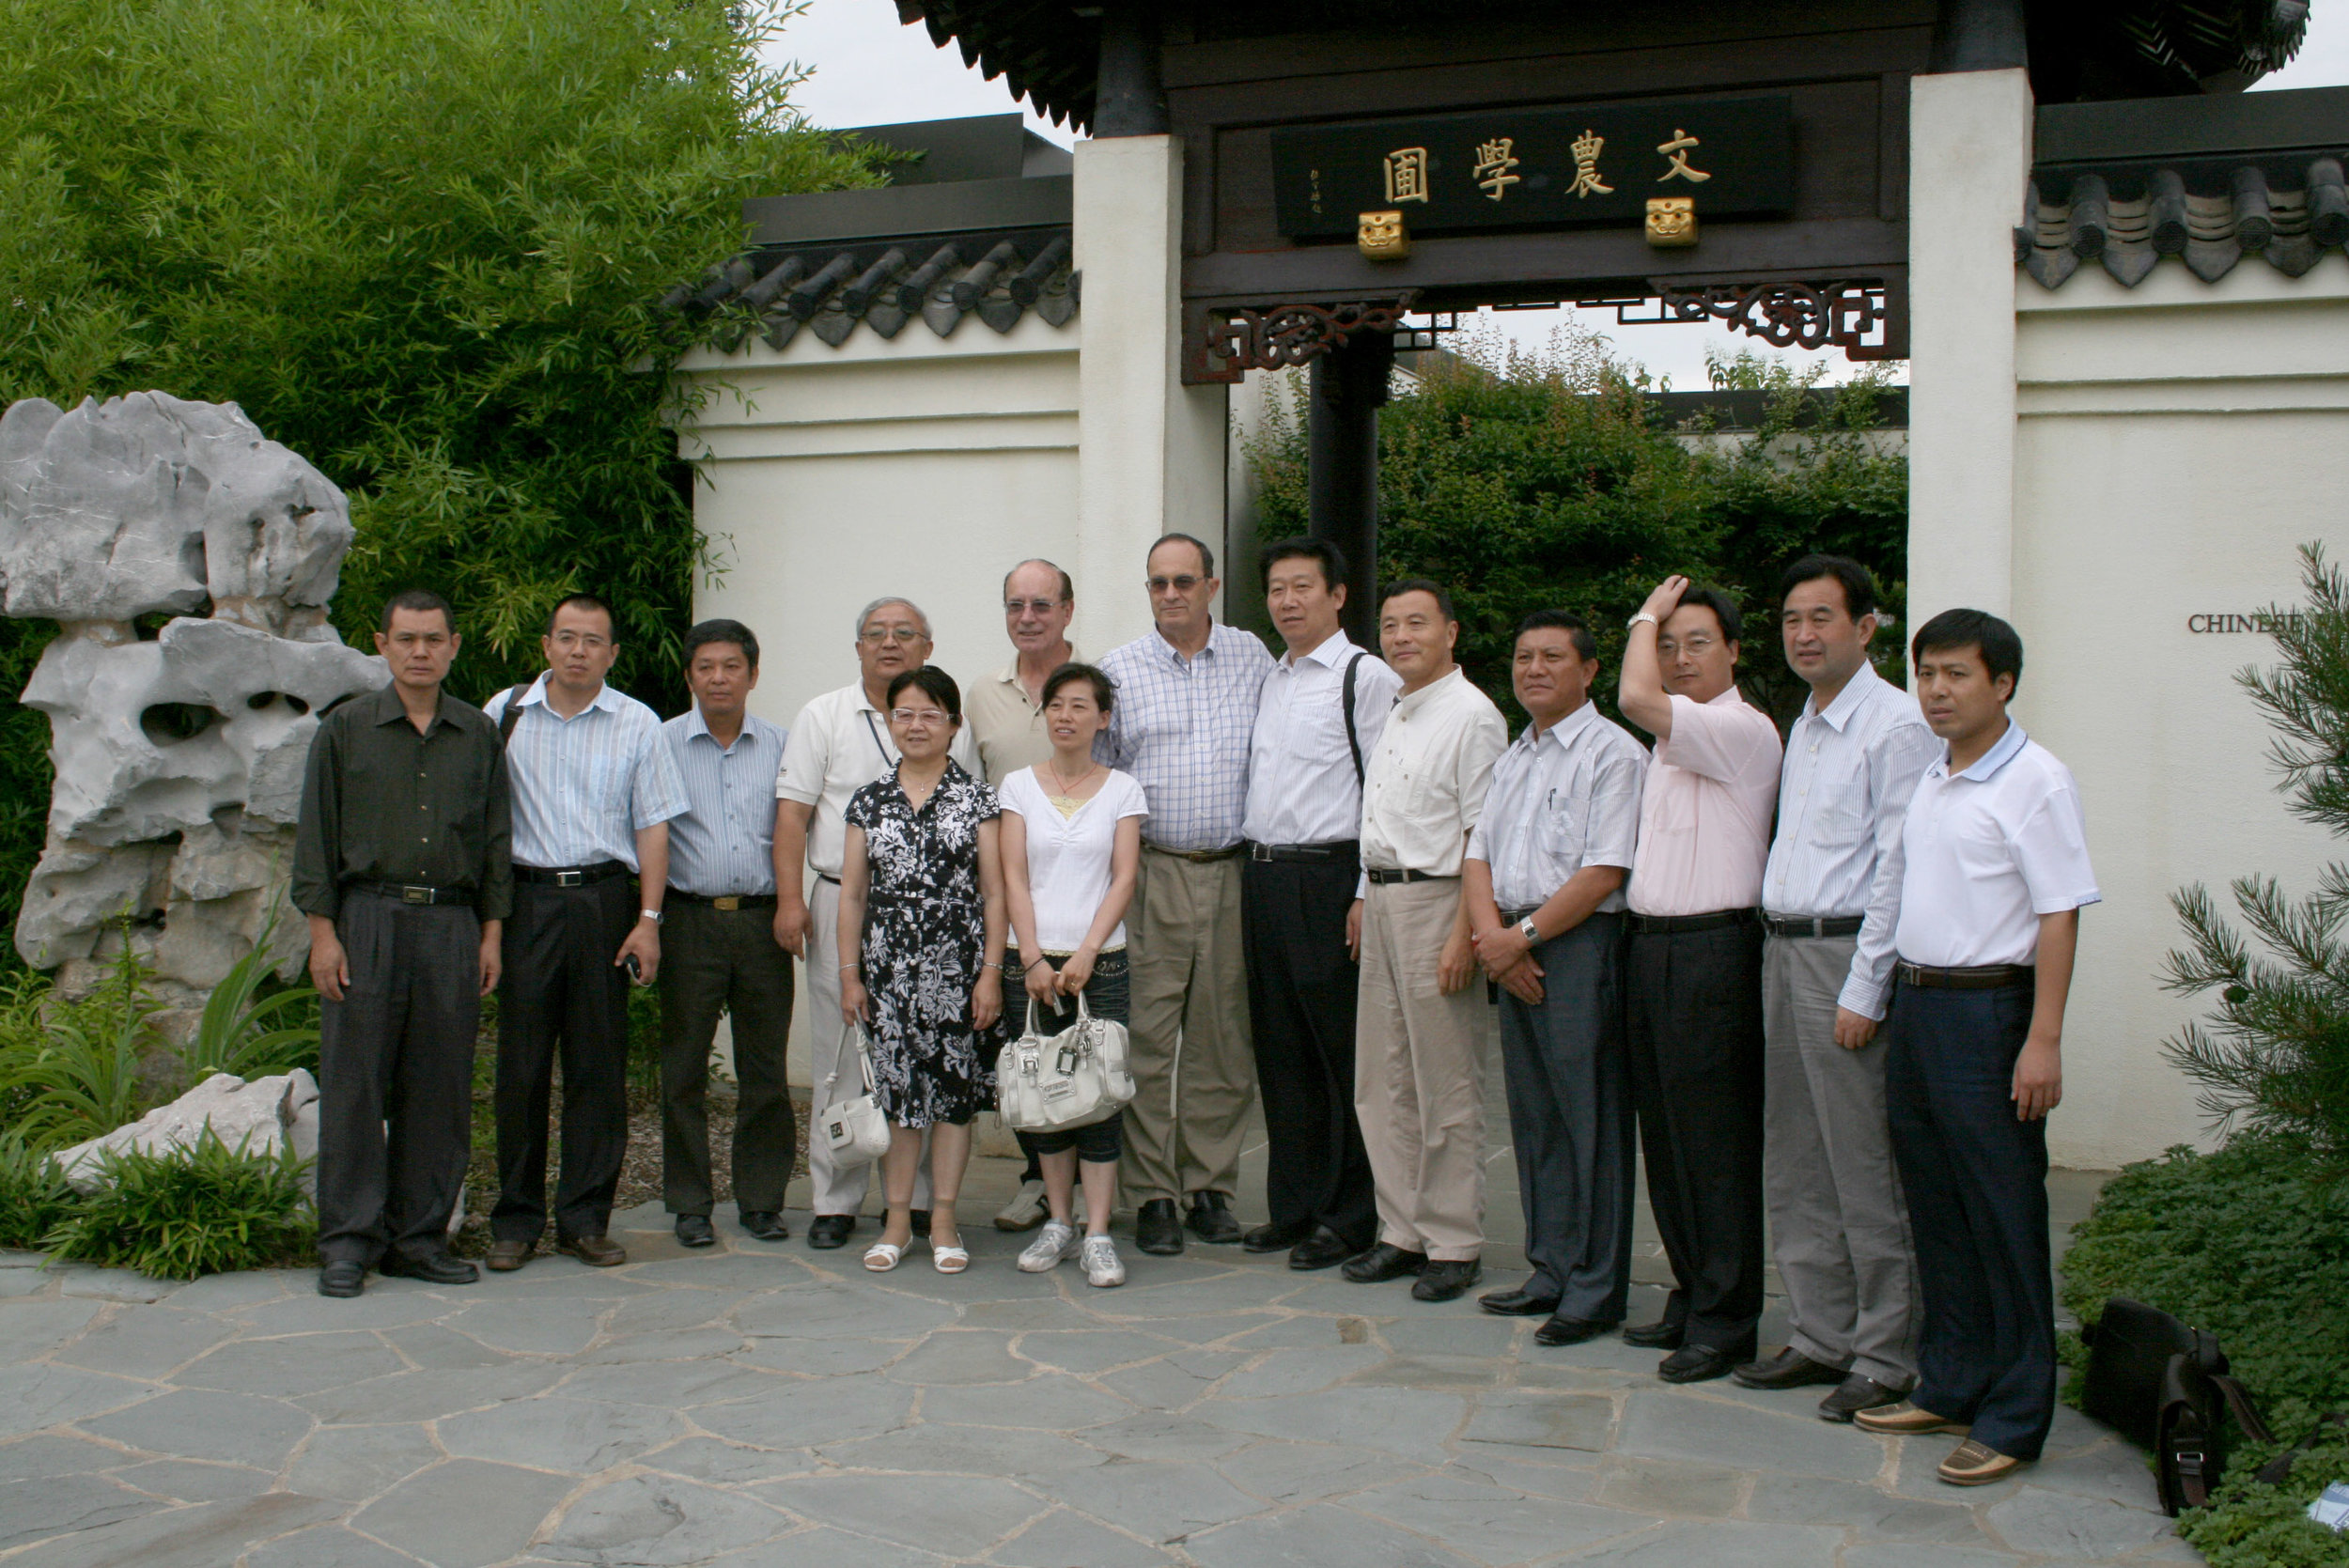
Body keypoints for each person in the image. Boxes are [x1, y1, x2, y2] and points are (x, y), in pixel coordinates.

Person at [1855, 610, 2098, 1488]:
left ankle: (2016, 1413)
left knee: (2000, 1215)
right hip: (1920, 1010)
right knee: (1938, 1209)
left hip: (1992, 1017)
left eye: (1957, 674)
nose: (1937, 691)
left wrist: (2044, 1039)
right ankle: (1952, 1379)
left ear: (2002, 683)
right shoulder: (1933, 774)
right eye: (1926, 674)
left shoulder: (2037, 780)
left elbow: (2059, 910)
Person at [1738, 556, 1940, 1421]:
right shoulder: (1810, 720)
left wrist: (1867, 985)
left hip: (1843, 958)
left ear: (1867, 626)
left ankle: (1886, 1350)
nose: (1804, 633)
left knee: (1862, 1162)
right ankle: (1820, 1332)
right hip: (1783, 951)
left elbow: (1899, 863)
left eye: (1823, 617)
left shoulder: (1895, 724)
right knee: (1796, 1154)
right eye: (1791, 619)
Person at [295, 590, 511, 1298]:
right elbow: (316, 839)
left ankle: (419, 1238)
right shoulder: (347, 729)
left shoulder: (477, 734)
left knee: (441, 1084)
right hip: (367, 920)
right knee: (356, 1084)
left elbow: (494, 841)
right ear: (382, 645)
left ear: (453, 647)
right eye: (407, 638)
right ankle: (348, 1243)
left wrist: (490, 933)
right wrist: (323, 934)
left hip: (451, 924)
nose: (420, 651)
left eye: (433, 639)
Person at [481, 594, 690, 1272]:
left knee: (598, 1069)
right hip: (524, 903)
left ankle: (584, 1217)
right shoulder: (504, 714)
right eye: (566, 637)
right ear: (545, 645)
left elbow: (652, 824)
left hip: (603, 901)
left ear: (612, 653)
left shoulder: (638, 722)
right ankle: (515, 1219)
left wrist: (648, 920)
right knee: (521, 1067)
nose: (578, 650)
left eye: (592, 640)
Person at [1614, 575, 1782, 1381]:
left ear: (1737, 651)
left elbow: (1633, 693)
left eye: (1697, 642)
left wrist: (1644, 613)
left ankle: (1727, 1317)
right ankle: (1691, 1290)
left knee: (1714, 1142)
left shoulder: (1739, 729)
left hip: (1714, 951)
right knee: (1668, 1138)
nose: (1678, 658)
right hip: (1652, 949)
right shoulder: (1672, 742)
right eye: (1668, 642)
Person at [1464, 610, 1647, 1342]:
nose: (1533, 669)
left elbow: (1604, 869)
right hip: (1513, 941)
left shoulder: (1614, 753)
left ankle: (1597, 1287)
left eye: (1551, 657)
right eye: (1522, 656)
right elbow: (1478, 852)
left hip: (1579, 945)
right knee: (1536, 1116)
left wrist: (1519, 938)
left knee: (1590, 1118)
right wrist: (1494, 940)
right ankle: (1551, 1266)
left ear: (1591, 670)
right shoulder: (1518, 753)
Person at [774, 597, 979, 1250]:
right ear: (857, 645)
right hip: (844, 895)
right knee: (841, 1052)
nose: (889, 643)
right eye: (875, 634)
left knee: (921, 1059)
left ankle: (917, 1201)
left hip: (937, 915)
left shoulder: (948, 717)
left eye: (905, 634)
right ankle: (834, 1198)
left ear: (927, 644)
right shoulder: (823, 714)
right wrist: (790, 898)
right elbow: (793, 815)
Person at [1097, 532, 1276, 1255]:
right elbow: (1104, 780)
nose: (1170, 594)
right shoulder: (1120, 669)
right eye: (1157, 583)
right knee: (1146, 1039)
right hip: (1154, 873)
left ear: (1210, 585)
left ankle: (1210, 1186)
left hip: (1235, 870)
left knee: (1222, 1041)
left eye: (1183, 581)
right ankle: (1152, 1197)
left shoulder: (1254, 658)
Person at [1239, 537, 1400, 1271]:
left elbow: (1385, 788)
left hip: (1329, 877)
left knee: (1342, 1053)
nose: (1288, 601)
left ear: (1338, 594)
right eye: (1276, 588)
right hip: (1265, 877)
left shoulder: (1364, 675)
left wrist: (1365, 891)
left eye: (1302, 586)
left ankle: (1351, 1213)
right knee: (1281, 1048)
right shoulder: (1272, 677)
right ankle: (1296, 1205)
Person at [1346, 581, 1507, 1302]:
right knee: (1383, 1078)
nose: (1401, 635)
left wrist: (1464, 932)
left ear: (1452, 630)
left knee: (1445, 1076)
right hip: (1381, 898)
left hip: (1438, 900)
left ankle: (1453, 1237)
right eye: (1390, 624)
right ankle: (1401, 1228)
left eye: (1417, 622)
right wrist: (1361, 893)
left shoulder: (1473, 716)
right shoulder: (1396, 708)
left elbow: (1482, 832)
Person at [837, 667, 1007, 1276]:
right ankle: (896, 1221)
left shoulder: (979, 798)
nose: (916, 724)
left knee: (953, 1101)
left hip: (956, 973)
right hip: (886, 976)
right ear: (889, 721)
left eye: (931, 714)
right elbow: (852, 896)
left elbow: (994, 894)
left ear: (954, 725)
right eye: (904, 713)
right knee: (900, 1100)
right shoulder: (868, 801)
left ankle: (943, 1218)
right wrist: (851, 975)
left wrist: (989, 974)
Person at [1000, 662, 1148, 1288]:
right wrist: (1032, 955)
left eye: (1080, 705)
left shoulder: (1122, 789)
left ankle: (1098, 1231)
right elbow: (1011, 876)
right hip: (1029, 964)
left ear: (1103, 717)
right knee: (1045, 1099)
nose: (1066, 715)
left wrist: (1087, 951)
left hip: (1100, 963)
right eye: (1056, 704)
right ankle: (1057, 1220)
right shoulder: (1016, 786)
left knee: (1098, 1095)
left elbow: (1124, 876)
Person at [659, 619, 794, 1250]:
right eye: (705, 666)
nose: (718, 677)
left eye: (731, 666)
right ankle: (690, 1202)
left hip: (764, 920)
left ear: (753, 674)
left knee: (764, 1067)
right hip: (689, 919)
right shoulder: (660, 744)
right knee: (684, 1066)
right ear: (689, 676)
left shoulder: (782, 745)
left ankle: (762, 1199)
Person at [968, 558, 1081, 1234]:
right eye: (1017, 605)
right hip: (1009, 897)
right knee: (1026, 1045)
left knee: (1086, 1040)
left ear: (1068, 610)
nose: (1029, 616)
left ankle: (1092, 1178)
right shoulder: (983, 692)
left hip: (1083, 895)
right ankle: (1037, 1181)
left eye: (1042, 603)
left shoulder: (1092, 686)